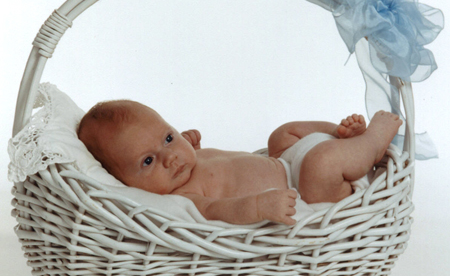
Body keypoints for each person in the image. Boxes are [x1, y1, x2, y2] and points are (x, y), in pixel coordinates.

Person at [77, 100, 401, 225]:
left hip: (285, 165)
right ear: (122, 181)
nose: (171, 156)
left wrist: (194, 147)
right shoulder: (181, 199)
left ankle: (341, 134)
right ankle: (372, 141)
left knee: (281, 135)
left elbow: (220, 167)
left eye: (167, 138)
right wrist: (260, 206)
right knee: (320, 163)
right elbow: (219, 210)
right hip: (306, 195)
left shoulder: (182, 163)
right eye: (148, 160)